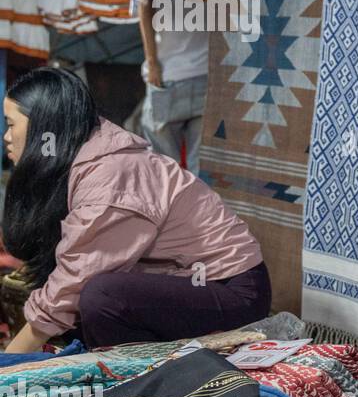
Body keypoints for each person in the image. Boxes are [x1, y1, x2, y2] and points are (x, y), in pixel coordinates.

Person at [1, 67, 270, 352]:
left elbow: (75, 280)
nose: (6, 136)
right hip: (185, 283)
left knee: (99, 297)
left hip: (231, 291)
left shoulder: (108, 176)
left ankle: (148, 377)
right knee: (77, 310)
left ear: (43, 128)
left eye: (11, 124)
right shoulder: (82, 156)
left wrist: (8, 366)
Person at [134, 0, 208, 173]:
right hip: (204, 75)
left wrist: (151, 62)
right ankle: (198, 203)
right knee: (200, 163)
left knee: (165, 166)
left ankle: (172, 203)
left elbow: (143, 4)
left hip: (166, 77)